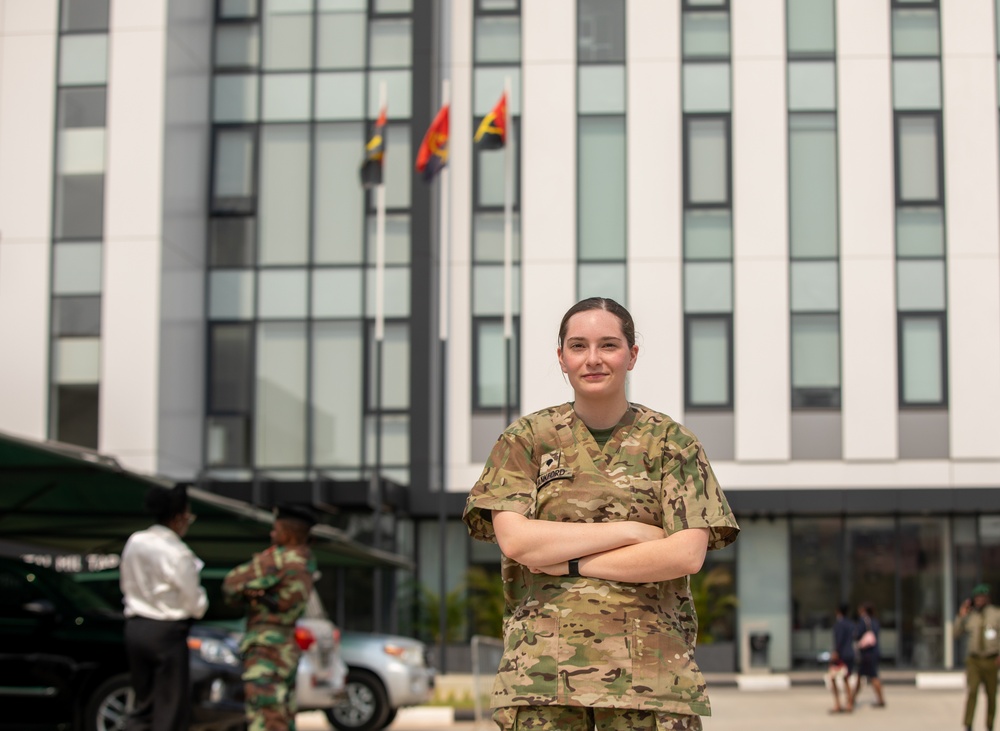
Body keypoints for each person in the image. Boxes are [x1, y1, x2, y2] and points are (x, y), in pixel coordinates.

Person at [463, 297, 740, 731]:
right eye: (578, 346)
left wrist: (562, 559)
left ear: (632, 355)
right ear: (561, 357)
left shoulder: (673, 444)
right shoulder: (526, 440)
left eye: (609, 345)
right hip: (542, 674)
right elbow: (517, 542)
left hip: (652, 677)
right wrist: (632, 531)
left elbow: (686, 555)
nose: (593, 359)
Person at [120, 483, 208, 731]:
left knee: (143, 703)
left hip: (136, 627)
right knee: (170, 706)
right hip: (167, 632)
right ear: (179, 517)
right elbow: (195, 604)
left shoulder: (135, 541)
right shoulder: (178, 553)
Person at [223, 504, 317, 731]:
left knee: (264, 715)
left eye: (275, 530)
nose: (272, 535)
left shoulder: (276, 560)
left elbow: (230, 584)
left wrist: (252, 594)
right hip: (287, 647)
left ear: (287, 533)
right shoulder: (307, 560)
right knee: (282, 713)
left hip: (265, 646)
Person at [954, 583, 1000, 731]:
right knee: (972, 691)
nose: (979, 600)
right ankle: (968, 724)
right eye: (977, 597)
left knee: (991, 695)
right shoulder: (969, 616)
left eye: (982, 597)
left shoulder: (996, 614)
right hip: (974, 660)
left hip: (991, 659)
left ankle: (990, 725)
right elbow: (955, 634)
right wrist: (961, 616)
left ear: (987, 598)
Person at [851, 602, 885, 708]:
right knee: (867, 676)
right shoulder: (875, 621)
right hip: (873, 652)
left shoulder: (863, 620)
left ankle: (852, 699)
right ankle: (853, 698)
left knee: (871, 676)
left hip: (866, 653)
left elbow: (857, 634)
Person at [828, 603, 855, 713]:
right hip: (850, 653)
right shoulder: (851, 624)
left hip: (841, 655)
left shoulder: (839, 624)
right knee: (846, 679)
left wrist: (835, 652)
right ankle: (849, 704)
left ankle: (838, 704)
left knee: (833, 678)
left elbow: (839, 640)